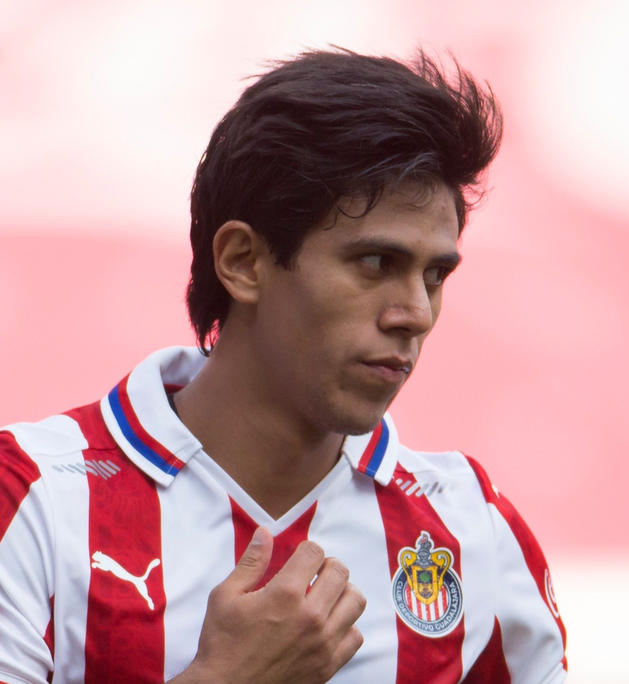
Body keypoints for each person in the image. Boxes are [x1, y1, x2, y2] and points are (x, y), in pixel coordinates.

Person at [0, 48, 567, 683]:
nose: (415, 313)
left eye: (434, 275)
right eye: (376, 263)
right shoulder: (32, 496)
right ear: (243, 261)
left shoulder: (470, 526)